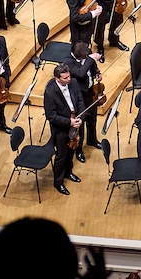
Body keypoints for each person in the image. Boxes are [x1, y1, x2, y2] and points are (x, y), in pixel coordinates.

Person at [42, 63, 82, 193]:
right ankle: (58, 182)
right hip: (61, 128)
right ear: (57, 78)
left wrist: (81, 118)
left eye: (69, 76)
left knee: (71, 150)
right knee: (62, 155)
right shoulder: (50, 92)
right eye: (65, 78)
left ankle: (68, 172)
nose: (69, 79)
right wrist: (69, 122)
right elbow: (51, 116)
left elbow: (80, 101)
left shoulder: (73, 83)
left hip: (75, 122)